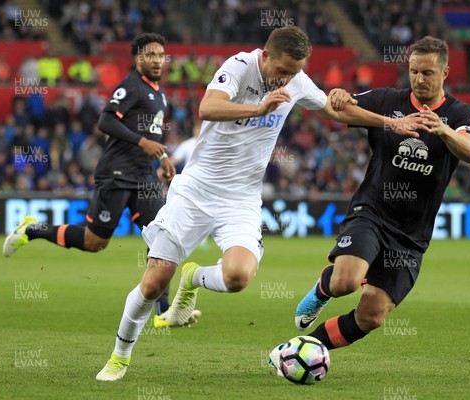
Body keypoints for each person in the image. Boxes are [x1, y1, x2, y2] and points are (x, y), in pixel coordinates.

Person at [95, 25, 427, 381]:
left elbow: (337, 112)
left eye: (294, 72)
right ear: (265, 55)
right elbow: (208, 107)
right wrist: (258, 107)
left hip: (241, 198)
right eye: (282, 70)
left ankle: (193, 278)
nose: (286, 79)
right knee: (153, 284)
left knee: (238, 276)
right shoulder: (240, 65)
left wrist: (390, 123)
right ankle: (120, 356)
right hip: (195, 191)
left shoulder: (296, 80)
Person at [268, 36, 470, 369]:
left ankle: (290, 349)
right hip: (373, 211)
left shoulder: (458, 113)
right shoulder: (387, 99)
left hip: (411, 234)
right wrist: (339, 96)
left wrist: (443, 131)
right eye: (413, 71)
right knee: (345, 283)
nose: (419, 79)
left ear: (445, 72)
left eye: (427, 73)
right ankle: (322, 290)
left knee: (372, 316)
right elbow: (341, 109)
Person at [3, 33, 177, 318]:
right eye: (150, 55)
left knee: (162, 237)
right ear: (138, 58)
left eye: (161, 55)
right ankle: (33, 230)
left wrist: (163, 157)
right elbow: (105, 120)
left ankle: (162, 311)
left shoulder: (159, 92)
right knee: (95, 242)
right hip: (117, 174)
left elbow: (151, 133)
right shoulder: (130, 86)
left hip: (145, 175)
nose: (157, 60)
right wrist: (141, 143)